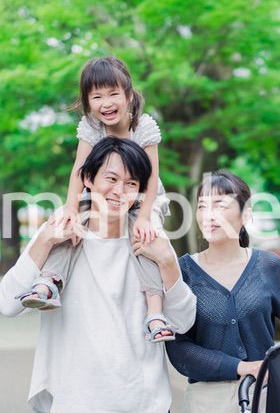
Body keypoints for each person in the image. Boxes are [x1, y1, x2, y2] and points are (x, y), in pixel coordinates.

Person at [0, 137, 196, 413]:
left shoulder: (151, 239)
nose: (119, 191)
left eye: (131, 184)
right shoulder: (59, 235)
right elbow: (7, 304)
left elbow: (184, 321)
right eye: (111, 178)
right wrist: (45, 239)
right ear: (88, 179)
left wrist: (168, 263)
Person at [166, 171, 280, 413]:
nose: (208, 215)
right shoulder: (184, 271)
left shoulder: (269, 266)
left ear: (246, 213)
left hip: (265, 403)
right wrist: (240, 367)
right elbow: (178, 348)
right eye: (202, 206)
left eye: (220, 205)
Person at [23, 55, 174, 340]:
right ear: (87, 101)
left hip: (144, 195)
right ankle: (49, 282)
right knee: (68, 225)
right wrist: (71, 207)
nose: (106, 103)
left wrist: (144, 217)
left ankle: (155, 311)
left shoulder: (143, 127)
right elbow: (79, 171)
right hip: (102, 192)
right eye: (97, 97)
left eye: (113, 94)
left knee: (146, 239)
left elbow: (152, 178)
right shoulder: (92, 127)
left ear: (129, 96)